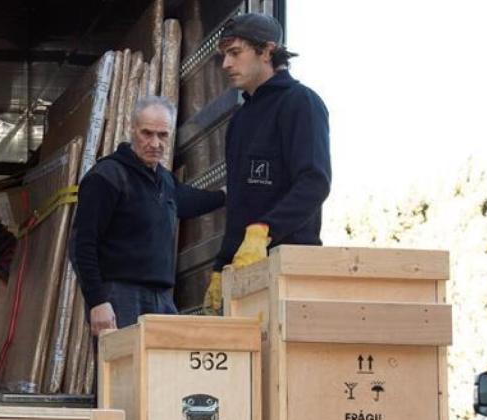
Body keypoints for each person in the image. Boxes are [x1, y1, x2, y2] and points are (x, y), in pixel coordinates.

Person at [203, 12, 331, 314]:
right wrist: (221, 266)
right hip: (246, 272)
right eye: (224, 55)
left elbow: (314, 182)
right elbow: (239, 203)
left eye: (235, 53)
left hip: (292, 266)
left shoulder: (301, 103)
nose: (226, 65)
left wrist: (265, 231)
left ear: (267, 52)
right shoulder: (240, 120)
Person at [71, 95, 225, 336]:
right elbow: (82, 245)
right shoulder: (106, 177)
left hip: (162, 298)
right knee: (124, 372)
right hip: (120, 296)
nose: (155, 143)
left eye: (162, 135)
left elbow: (191, 202)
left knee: (165, 369)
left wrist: (230, 194)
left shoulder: (164, 180)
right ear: (131, 129)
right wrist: (97, 301)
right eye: (147, 133)